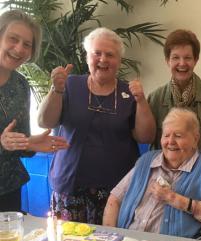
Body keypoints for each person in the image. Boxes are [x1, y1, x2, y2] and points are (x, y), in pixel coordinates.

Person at [37, 27, 155, 224]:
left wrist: (142, 100)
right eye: (97, 53)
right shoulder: (69, 84)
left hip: (116, 193)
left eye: (110, 54)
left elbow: (146, 137)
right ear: (87, 57)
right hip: (71, 187)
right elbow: (44, 121)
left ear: (119, 61)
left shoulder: (130, 92)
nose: (103, 59)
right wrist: (55, 90)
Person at [103, 108, 201, 238]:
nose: (170, 142)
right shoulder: (146, 161)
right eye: (166, 135)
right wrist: (111, 239)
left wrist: (175, 199)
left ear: (195, 139)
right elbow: (114, 200)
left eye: (178, 136)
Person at [0, 10, 68, 212]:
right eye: (13, 39)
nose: (19, 49)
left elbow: (19, 143)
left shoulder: (21, 85)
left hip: (9, 189)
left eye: (27, 44)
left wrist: (33, 143)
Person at [148, 29, 201, 174]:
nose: (182, 63)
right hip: (164, 181)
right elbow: (151, 146)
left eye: (187, 58)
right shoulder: (155, 98)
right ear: (167, 61)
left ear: (196, 60)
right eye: (175, 58)